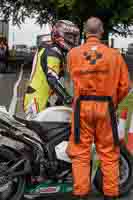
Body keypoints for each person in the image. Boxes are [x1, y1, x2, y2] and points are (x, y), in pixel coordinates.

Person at [67, 17, 129, 200]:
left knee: (80, 152)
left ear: (85, 32)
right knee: (109, 153)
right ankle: (110, 195)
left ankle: (81, 194)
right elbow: (125, 86)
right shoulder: (115, 55)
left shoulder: (73, 54)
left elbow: (69, 80)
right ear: (101, 31)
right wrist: (113, 102)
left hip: (82, 109)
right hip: (106, 108)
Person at [23, 20, 80, 117]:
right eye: (70, 37)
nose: (73, 40)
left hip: (43, 98)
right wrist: (68, 99)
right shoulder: (52, 52)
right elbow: (52, 79)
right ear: (59, 35)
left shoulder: (53, 49)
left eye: (75, 37)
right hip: (38, 102)